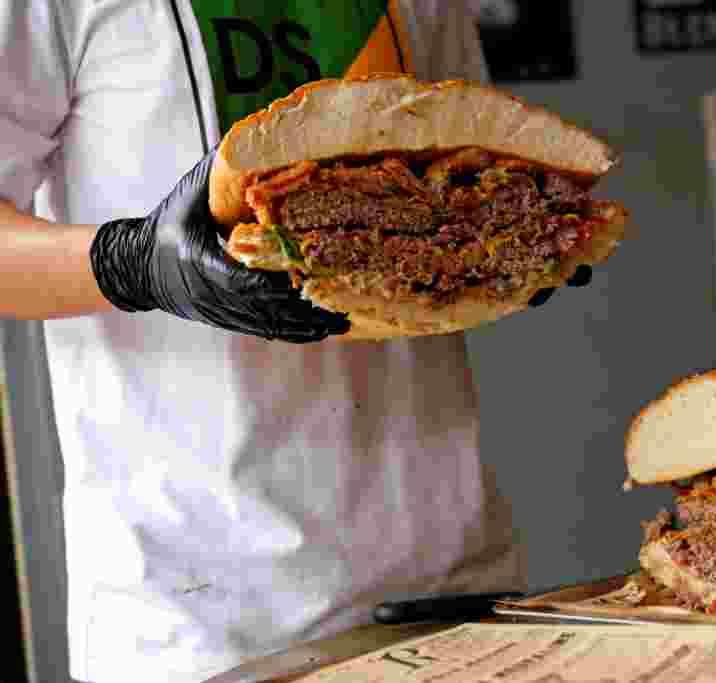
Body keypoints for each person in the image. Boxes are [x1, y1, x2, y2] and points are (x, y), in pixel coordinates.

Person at [0, 2, 527, 681]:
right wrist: (130, 264)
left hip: (453, 589)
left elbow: (461, 154)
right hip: (203, 630)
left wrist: (503, 239)